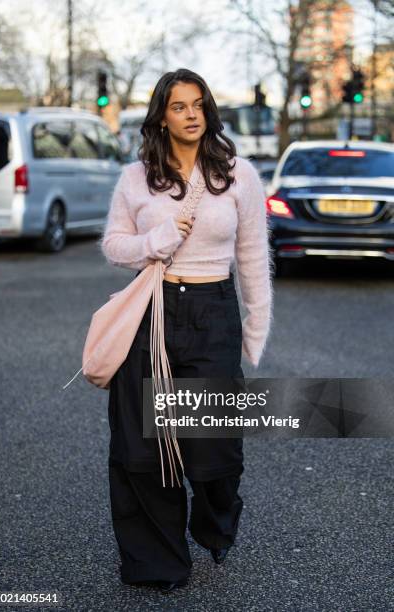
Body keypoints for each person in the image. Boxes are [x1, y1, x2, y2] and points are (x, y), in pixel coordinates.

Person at [99, 68, 274, 594]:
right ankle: (159, 563)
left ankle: (214, 521)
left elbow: (251, 254)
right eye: (179, 106)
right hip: (150, 312)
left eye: (198, 104)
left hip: (213, 309)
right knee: (142, 449)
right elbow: (113, 245)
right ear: (161, 116)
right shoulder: (137, 178)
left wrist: (255, 327)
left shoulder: (238, 174)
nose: (192, 114)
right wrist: (153, 238)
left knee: (214, 451)